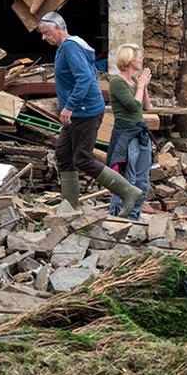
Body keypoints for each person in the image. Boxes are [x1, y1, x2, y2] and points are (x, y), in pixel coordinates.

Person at [39, 12, 143, 216]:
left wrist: (69, 106)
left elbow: (85, 78)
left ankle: (129, 191)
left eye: (46, 32)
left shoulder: (70, 47)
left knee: (82, 158)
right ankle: (69, 207)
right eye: (42, 34)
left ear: (59, 28)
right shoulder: (66, 47)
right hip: (77, 113)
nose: (44, 37)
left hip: (84, 112)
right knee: (63, 154)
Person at [105, 43, 153, 221]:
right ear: (129, 60)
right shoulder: (117, 82)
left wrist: (144, 86)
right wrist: (140, 86)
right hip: (126, 134)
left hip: (140, 133)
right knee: (127, 179)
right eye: (138, 57)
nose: (141, 60)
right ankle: (117, 217)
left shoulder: (134, 82)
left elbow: (147, 106)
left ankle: (133, 218)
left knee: (142, 180)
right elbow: (133, 106)